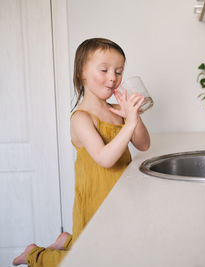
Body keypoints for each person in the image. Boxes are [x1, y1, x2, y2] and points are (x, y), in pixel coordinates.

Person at [13, 38, 150, 266]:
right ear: (81, 73)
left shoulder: (117, 112)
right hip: (96, 198)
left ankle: (68, 240)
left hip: (121, 196)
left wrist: (132, 116)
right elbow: (105, 159)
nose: (113, 77)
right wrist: (128, 124)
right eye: (104, 70)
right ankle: (34, 254)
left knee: (114, 248)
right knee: (89, 259)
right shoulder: (81, 118)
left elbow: (143, 144)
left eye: (118, 71)